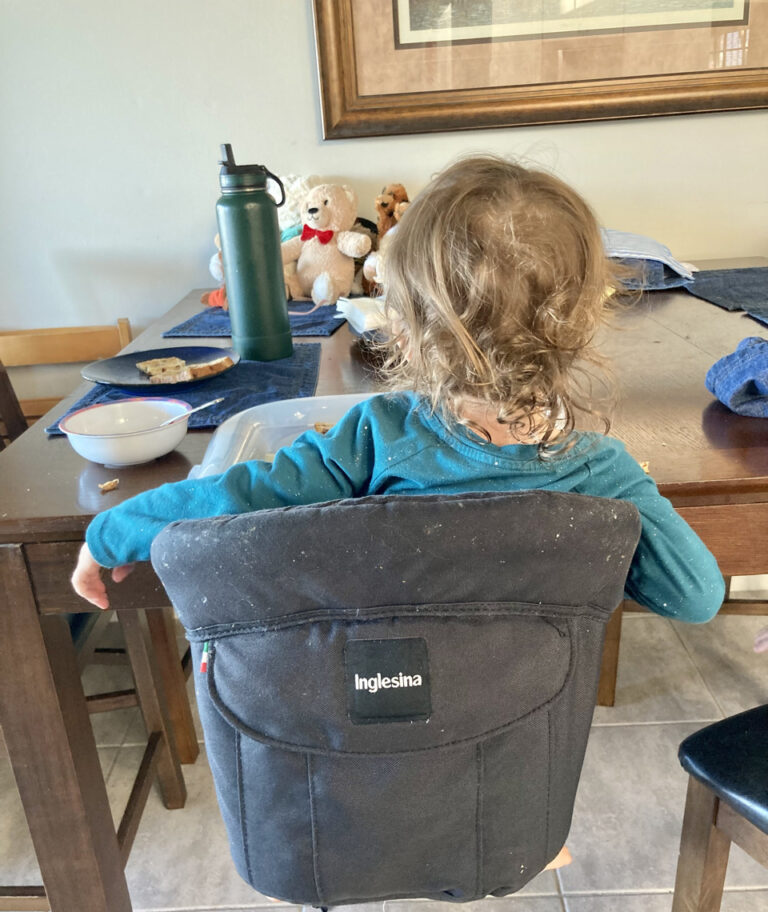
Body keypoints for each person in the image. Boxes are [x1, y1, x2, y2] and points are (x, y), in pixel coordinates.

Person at [72, 154, 725, 627]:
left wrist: (113, 533)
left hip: (381, 716)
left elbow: (229, 497)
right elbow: (697, 598)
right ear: (581, 327)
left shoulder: (375, 439)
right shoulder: (604, 474)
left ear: (407, 332)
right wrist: (639, 493)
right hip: (520, 733)